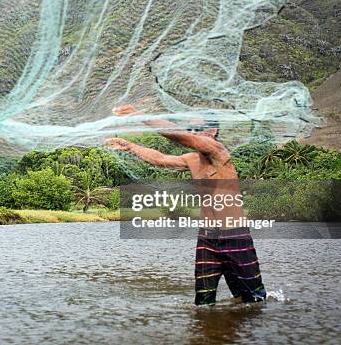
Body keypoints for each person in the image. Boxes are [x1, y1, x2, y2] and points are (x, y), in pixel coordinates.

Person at [105, 104, 266, 305]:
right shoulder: (191, 159)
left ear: (213, 131)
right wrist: (130, 146)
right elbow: (160, 159)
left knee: (254, 300)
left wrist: (139, 114)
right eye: (189, 129)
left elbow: (179, 136)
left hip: (234, 236)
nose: (191, 134)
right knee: (203, 303)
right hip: (207, 239)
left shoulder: (219, 152)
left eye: (197, 130)